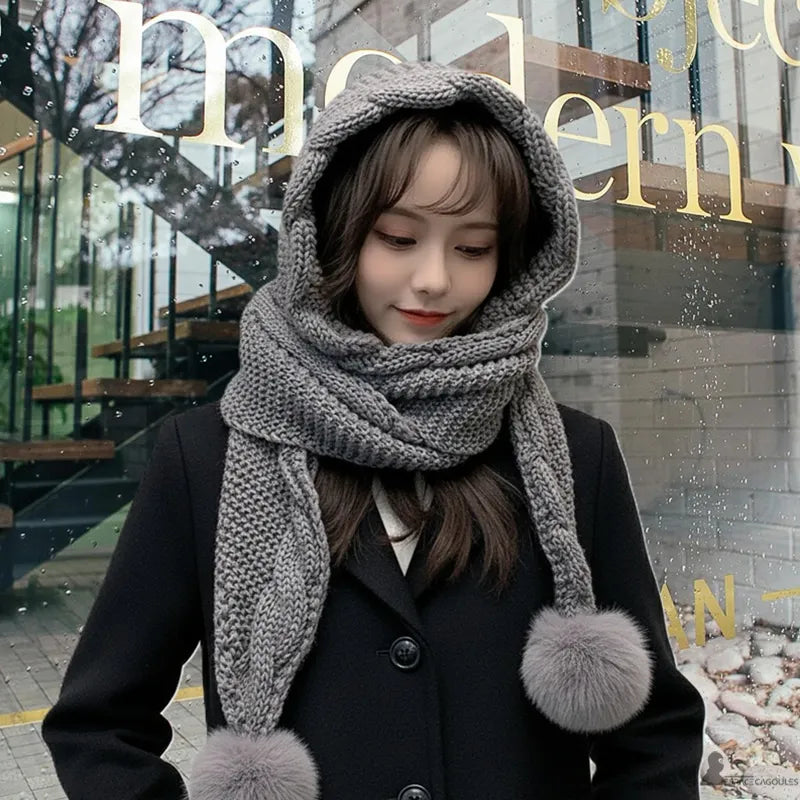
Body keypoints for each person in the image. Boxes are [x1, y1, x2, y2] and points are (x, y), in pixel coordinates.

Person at [41, 60, 706, 799]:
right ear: (332, 236)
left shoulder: (579, 456)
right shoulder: (206, 457)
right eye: (397, 237)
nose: (433, 279)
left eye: (473, 247)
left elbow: (653, 738)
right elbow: (99, 726)